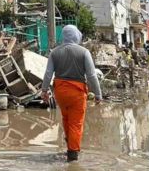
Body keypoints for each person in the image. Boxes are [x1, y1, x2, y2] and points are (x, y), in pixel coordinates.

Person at [42, 25, 103, 163]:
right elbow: (92, 75)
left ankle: (70, 144)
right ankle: (73, 154)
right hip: (77, 92)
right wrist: (98, 94)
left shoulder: (54, 52)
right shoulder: (84, 52)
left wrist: (44, 91)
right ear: (76, 35)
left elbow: (48, 74)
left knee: (66, 118)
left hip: (60, 92)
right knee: (76, 123)